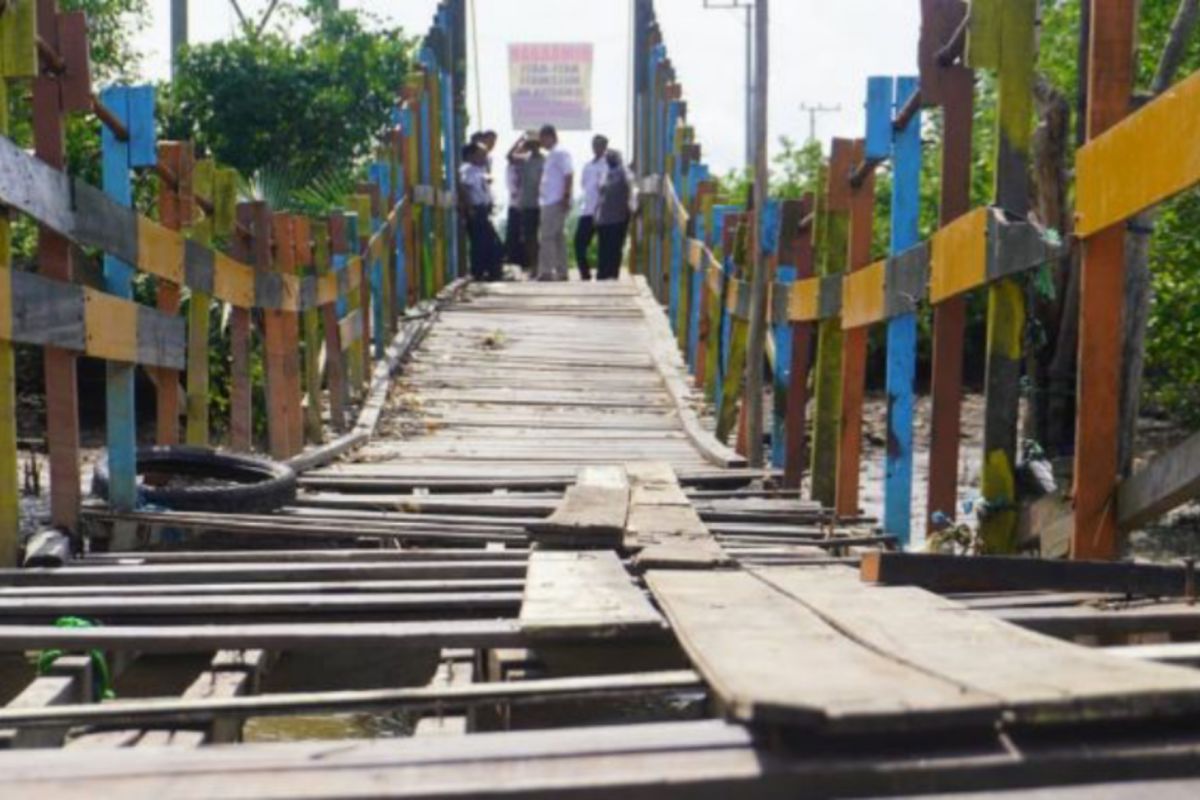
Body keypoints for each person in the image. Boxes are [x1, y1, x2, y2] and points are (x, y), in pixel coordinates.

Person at [459, 142, 503, 282]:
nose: (484, 157)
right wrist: (469, 207)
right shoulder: (467, 169)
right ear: (471, 155)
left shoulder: (479, 169)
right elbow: (464, 187)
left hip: (483, 209)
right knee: (481, 242)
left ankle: (489, 270)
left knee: (489, 242)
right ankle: (479, 271)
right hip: (476, 209)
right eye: (481, 154)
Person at [537, 124, 573, 281]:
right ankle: (561, 270)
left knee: (547, 236)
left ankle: (546, 271)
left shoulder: (560, 152)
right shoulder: (552, 154)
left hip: (555, 200)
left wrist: (565, 196)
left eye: (542, 138)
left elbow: (569, 174)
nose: (541, 142)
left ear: (549, 136)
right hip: (550, 200)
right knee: (557, 237)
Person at [574, 134, 608, 281]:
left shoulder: (607, 164)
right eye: (595, 144)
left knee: (603, 245)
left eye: (600, 144)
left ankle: (603, 274)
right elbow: (583, 184)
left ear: (605, 146)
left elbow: (605, 188)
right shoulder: (587, 165)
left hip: (602, 211)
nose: (597, 147)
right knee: (579, 243)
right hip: (587, 210)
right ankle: (585, 273)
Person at [595, 148, 633, 281]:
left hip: (618, 217)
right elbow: (600, 192)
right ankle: (602, 273)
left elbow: (631, 187)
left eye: (612, 156)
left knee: (615, 247)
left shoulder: (624, 172)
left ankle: (612, 273)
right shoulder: (605, 173)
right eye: (607, 156)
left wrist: (632, 207)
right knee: (603, 247)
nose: (608, 158)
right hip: (604, 218)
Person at [515, 135, 544, 274]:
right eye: (530, 144)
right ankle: (534, 265)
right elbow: (509, 156)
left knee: (544, 236)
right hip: (527, 203)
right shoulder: (525, 159)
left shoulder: (545, 160)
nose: (532, 147)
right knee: (528, 237)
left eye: (535, 144)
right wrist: (520, 140)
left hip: (542, 202)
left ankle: (544, 265)